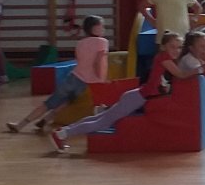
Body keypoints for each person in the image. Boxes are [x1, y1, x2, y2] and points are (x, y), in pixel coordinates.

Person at [50, 31, 184, 151]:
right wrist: (196, 69)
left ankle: (63, 131)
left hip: (136, 96)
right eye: (172, 47)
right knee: (102, 123)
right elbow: (181, 74)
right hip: (137, 98)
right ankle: (62, 134)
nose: (176, 50)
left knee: (99, 118)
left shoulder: (165, 59)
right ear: (163, 47)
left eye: (179, 47)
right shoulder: (164, 57)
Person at [8, 15, 109, 134]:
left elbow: (80, 60)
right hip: (88, 83)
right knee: (68, 102)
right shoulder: (102, 42)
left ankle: (21, 124)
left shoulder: (80, 43)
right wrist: (101, 79)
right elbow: (99, 62)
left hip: (74, 77)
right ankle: (46, 119)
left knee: (50, 103)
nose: (104, 29)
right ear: (94, 27)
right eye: (102, 26)